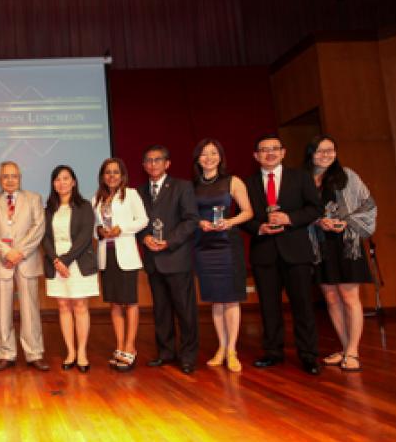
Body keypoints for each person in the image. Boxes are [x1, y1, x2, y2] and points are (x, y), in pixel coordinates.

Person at [242, 134, 322, 375]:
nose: (270, 153)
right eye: (264, 150)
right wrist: (259, 227)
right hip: (264, 252)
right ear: (256, 156)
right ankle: (273, 352)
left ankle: (308, 355)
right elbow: (243, 218)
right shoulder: (248, 183)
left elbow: (315, 208)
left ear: (283, 153)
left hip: (296, 251)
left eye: (274, 149)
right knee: (268, 307)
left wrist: (290, 218)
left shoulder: (300, 177)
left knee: (303, 305)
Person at [304, 135, 376, 372]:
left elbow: (368, 205)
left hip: (346, 244)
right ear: (311, 154)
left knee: (349, 298)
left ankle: (353, 351)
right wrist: (317, 221)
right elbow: (299, 211)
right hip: (320, 245)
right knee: (332, 299)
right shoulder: (303, 180)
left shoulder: (348, 176)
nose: (326, 155)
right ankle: (345, 348)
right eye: (320, 151)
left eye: (330, 150)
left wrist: (346, 222)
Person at [137, 145, 200, 375]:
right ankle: (165, 353)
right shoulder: (139, 192)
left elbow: (191, 220)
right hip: (153, 260)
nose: (153, 164)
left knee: (185, 310)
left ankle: (188, 356)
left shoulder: (182, 187)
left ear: (167, 163)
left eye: (157, 160)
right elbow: (137, 223)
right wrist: (144, 238)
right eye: (148, 160)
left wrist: (169, 241)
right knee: (161, 310)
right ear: (143, 165)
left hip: (176, 257)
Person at [191, 139, 253, 373]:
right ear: (198, 159)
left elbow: (248, 212)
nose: (209, 157)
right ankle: (221, 346)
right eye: (204, 154)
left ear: (220, 157)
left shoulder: (233, 181)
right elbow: (189, 215)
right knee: (216, 299)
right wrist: (200, 222)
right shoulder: (192, 186)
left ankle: (232, 350)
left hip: (227, 244)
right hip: (204, 244)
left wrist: (229, 222)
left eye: (213, 153)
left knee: (231, 298)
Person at [0, 161, 48, 372]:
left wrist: (19, 252)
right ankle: (5, 353)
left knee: (30, 309)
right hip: (2, 261)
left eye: (14, 176)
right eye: (5, 176)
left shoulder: (34, 198)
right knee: (2, 310)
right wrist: (6, 252)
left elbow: (39, 227)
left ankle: (34, 353)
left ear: (20, 178)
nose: (10, 180)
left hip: (26, 260)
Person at [92, 158, 148, 371]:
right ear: (102, 176)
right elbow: (94, 227)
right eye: (108, 172)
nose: (112, 176)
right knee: (114, 304)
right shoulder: (96, 198)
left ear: (123, 175)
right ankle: (119, 345)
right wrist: (99, 231)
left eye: (116, 172)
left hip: (126, 255)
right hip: (107, 256)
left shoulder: (131, 194)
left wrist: (121, 228)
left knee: (130, 302)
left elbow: (143, 220)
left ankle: (130, 347)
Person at [41, 165, 97, 373]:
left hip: (78, 261)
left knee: (80, 306)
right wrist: (57, 261)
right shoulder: (48, 209)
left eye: (66, 178)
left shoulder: (84, 206)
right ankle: (70, 352)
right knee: (63, 306)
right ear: (53, 184)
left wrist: (66, 260)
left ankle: (82, 352)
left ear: (73, 182)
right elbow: (44, 238)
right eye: (57, 179)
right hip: (56, 262)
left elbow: (84, 238)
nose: (61, 183)